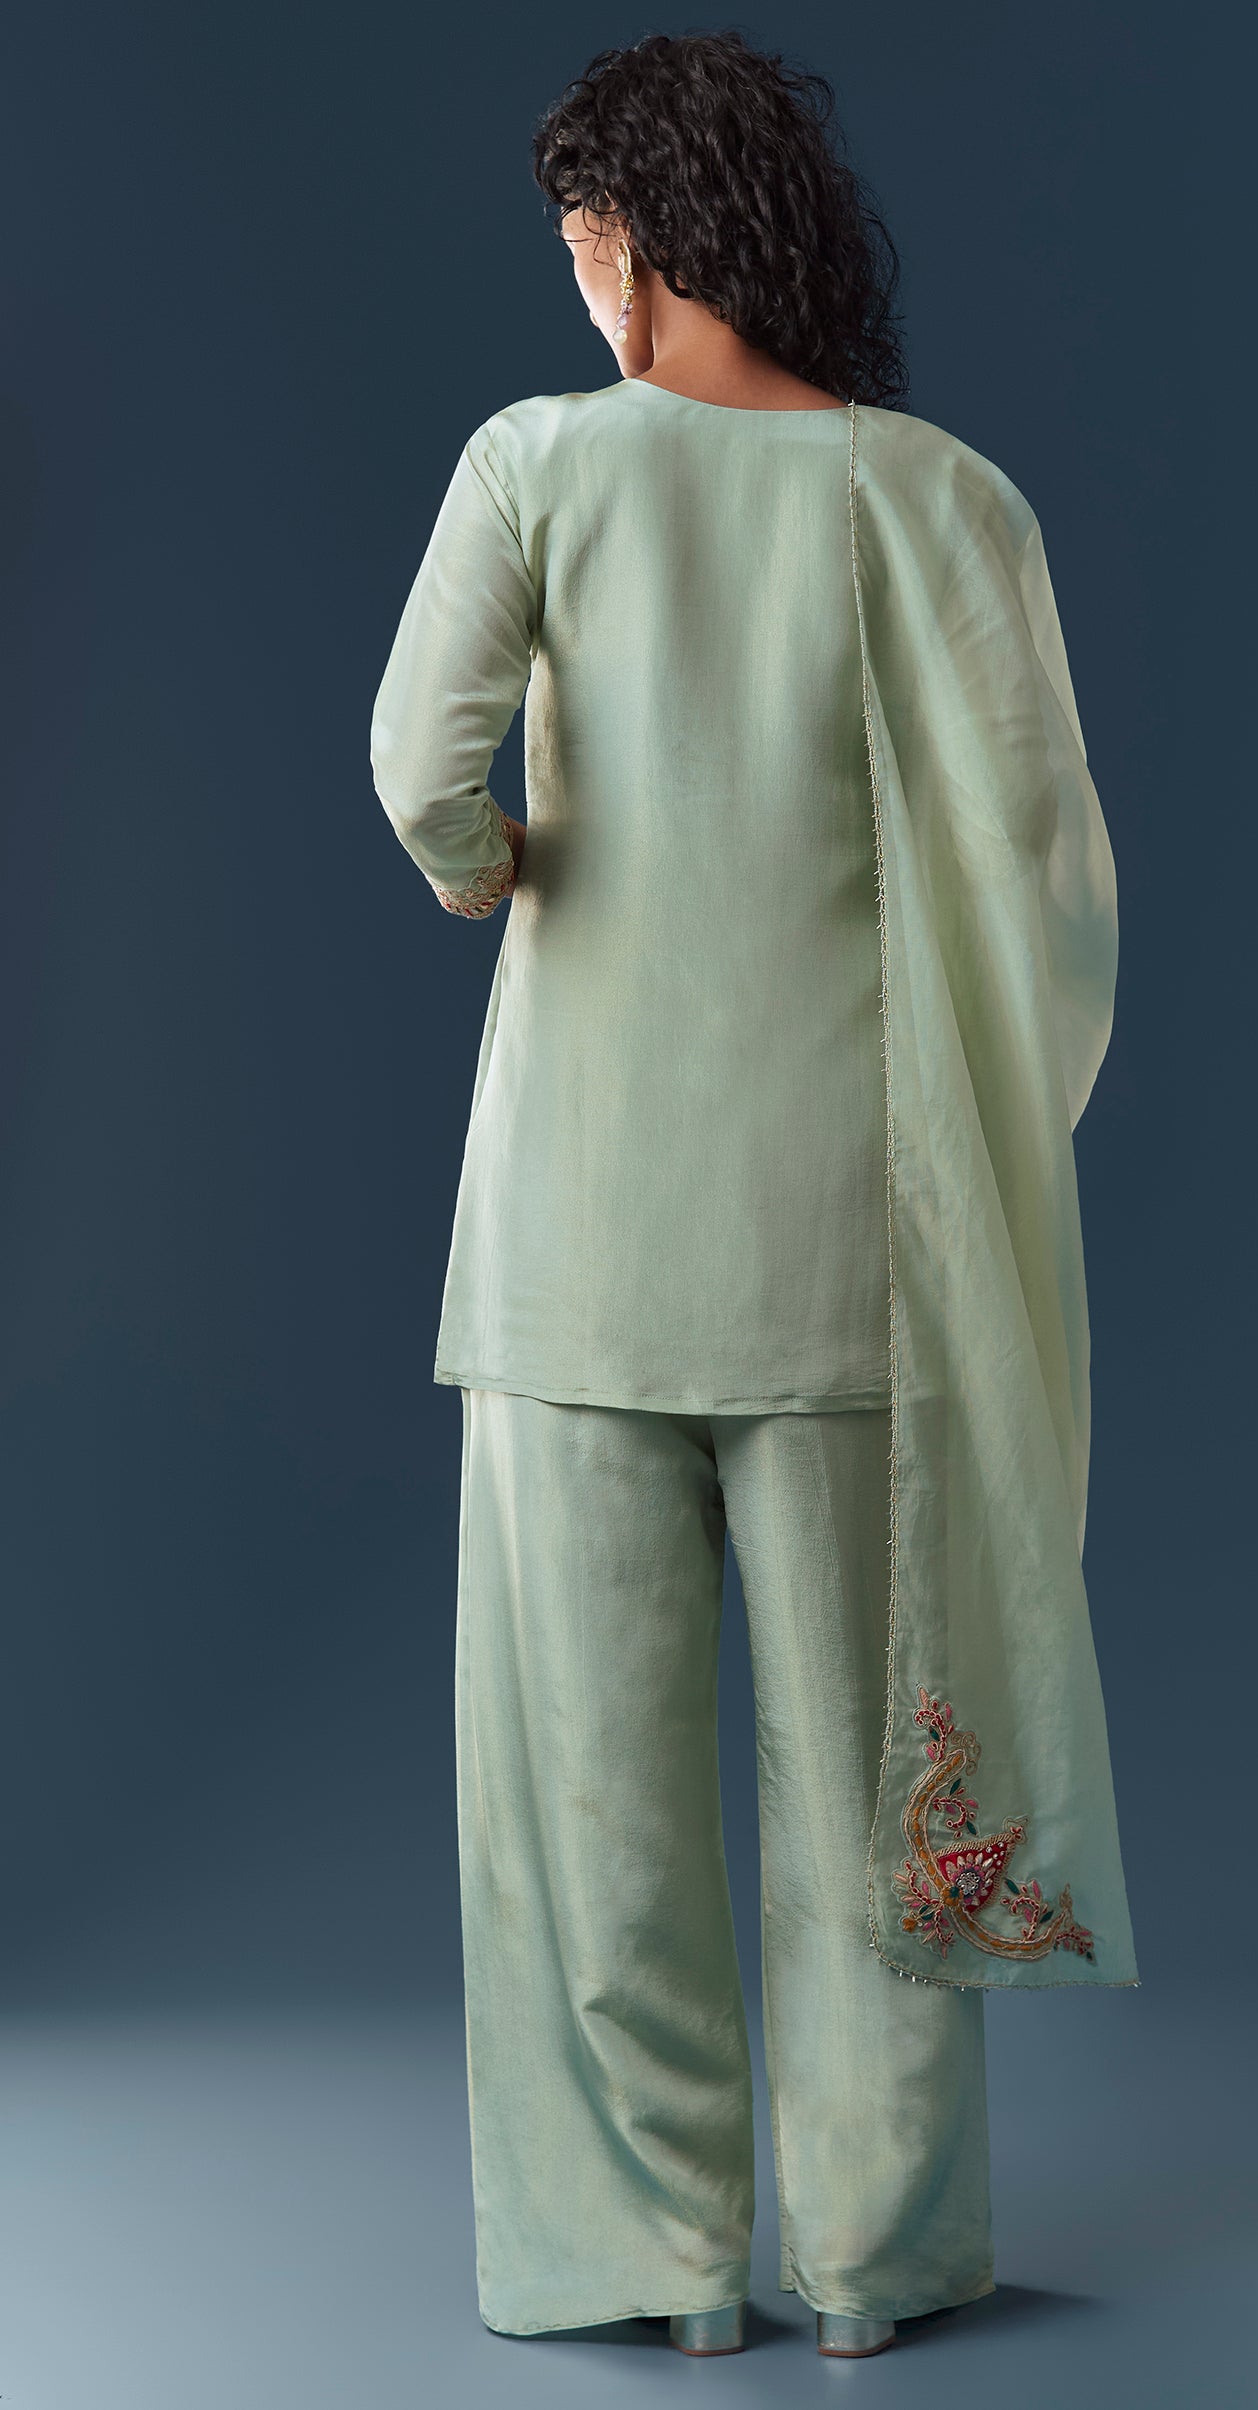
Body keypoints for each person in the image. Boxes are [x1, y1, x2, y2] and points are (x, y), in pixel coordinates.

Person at [369, 27, 1137, 2363]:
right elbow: (1049, 888)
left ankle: (655, 2259)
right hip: (846, 1246)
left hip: (574, 1240)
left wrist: (498, 867)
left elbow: (418, 762)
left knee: (593, 1799)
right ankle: (878, 2260)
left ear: (628, 240)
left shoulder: (535, 463)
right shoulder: (944, 500)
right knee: (868, 1782)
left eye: (576, 242)